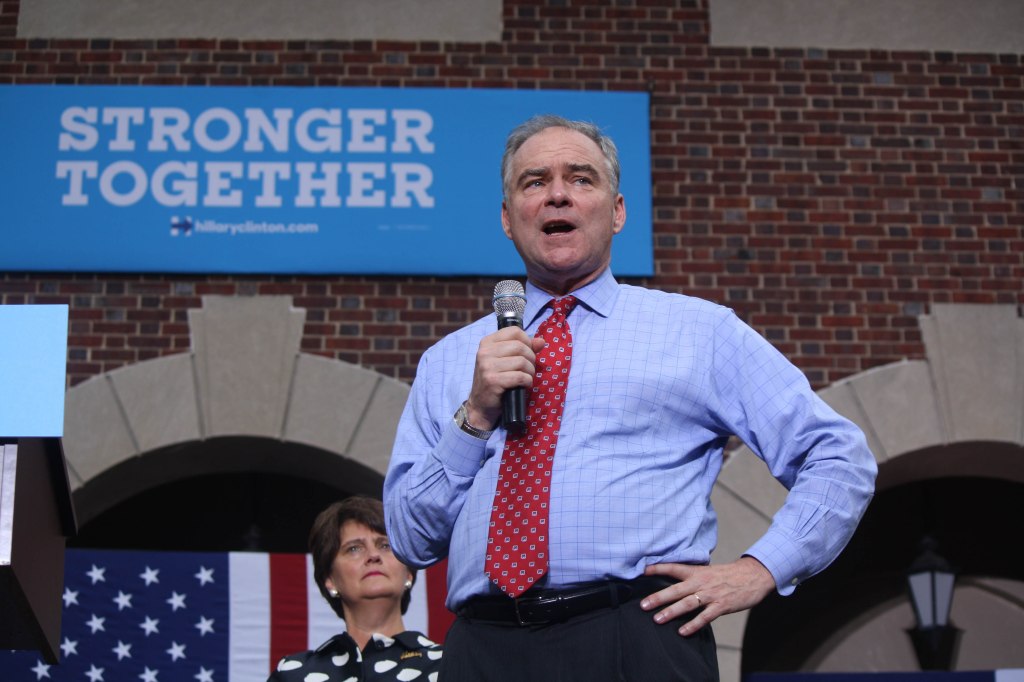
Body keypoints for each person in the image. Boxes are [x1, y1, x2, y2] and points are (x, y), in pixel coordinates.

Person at [383, 114, 877, 680]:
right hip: (482, 648)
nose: (558, 195)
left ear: (617, 212)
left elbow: (838, 455)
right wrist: (474, 417)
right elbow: (409, 537)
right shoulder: (450, 360)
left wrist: (762, 568)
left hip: (635, 638)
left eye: (581, 179)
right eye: (534, 182)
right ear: (507, 219)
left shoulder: (699, 332)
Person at [267, 496, 443, 682]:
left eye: (385, 545)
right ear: (330, 579)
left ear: (409, 572)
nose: (373, 555)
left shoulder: (445, 664)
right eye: (354, 549)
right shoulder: (293, 674)